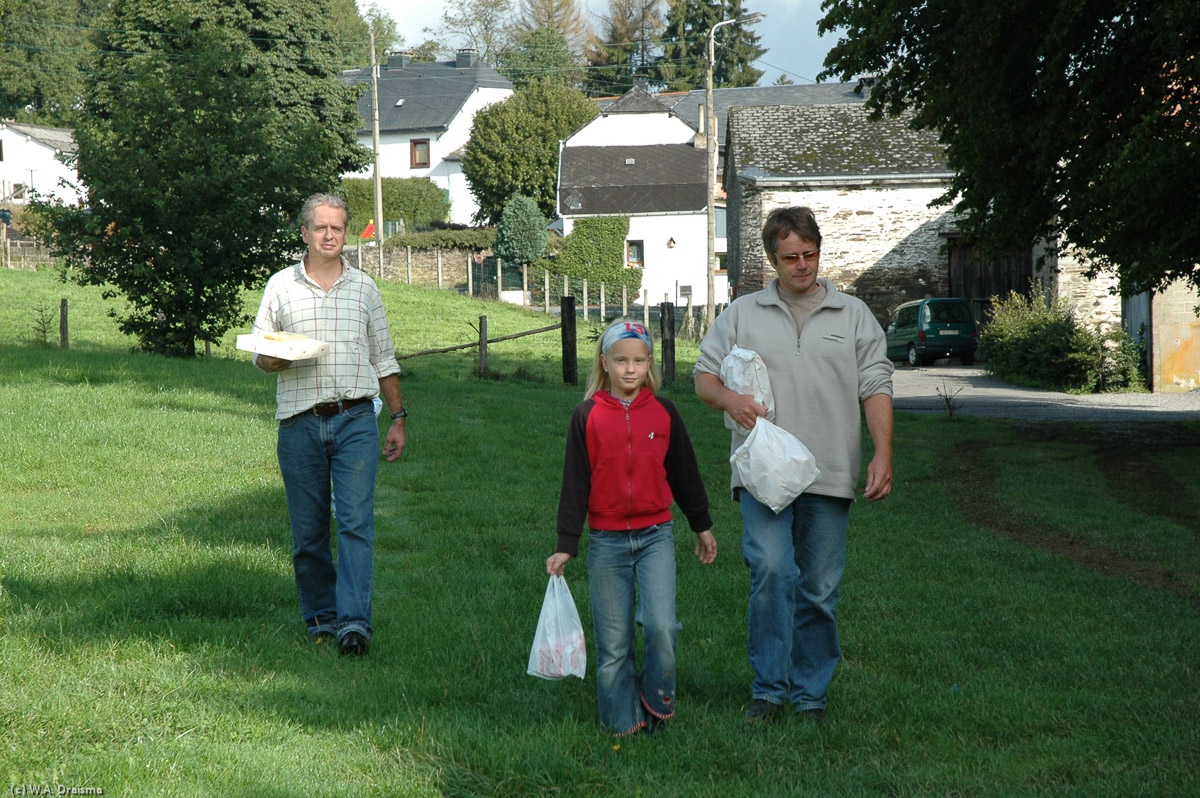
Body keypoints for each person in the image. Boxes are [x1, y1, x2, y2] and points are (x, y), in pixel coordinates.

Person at [693, 206, 894, 725]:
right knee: (771, 570)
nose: (802, 266)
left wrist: (883, 453)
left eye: (810, 255)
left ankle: (809, 695)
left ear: (819, 252)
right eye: (790, 258)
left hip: (830, 470)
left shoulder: (853, 315)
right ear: (772, 260)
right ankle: (768, 690)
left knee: (820, 589)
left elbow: (875, 385)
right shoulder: (742, 313)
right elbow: (703, 377)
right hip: (761, 472)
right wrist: (729, 402)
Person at [252, 192, 408, 657]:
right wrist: (275, 359)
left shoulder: (364, 288)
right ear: (304, 232)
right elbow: (260, 352)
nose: (328, 235)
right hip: (299, 422)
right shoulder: (280, 286)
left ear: (345, 233)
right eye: (320, 227)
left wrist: (397, 417)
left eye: (336, 228)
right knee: (309, 530)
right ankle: (320, 618)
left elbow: (384, 357)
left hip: (356, 418)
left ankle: (354, 624)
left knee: (356, 522)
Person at [547, 319, 718, 737]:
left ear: (649, 364)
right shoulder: (586, 415)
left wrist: (702, 526)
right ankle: (621, 722)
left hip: (655, 536)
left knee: (662, 626)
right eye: (621, 360)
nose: (630, 369)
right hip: (606, 542)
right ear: (604, 362)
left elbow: (684, 473)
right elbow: (575, 483)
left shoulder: (663, 411)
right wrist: (567, 543)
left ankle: (657, 702)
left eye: (639, 361)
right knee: (614, 643)